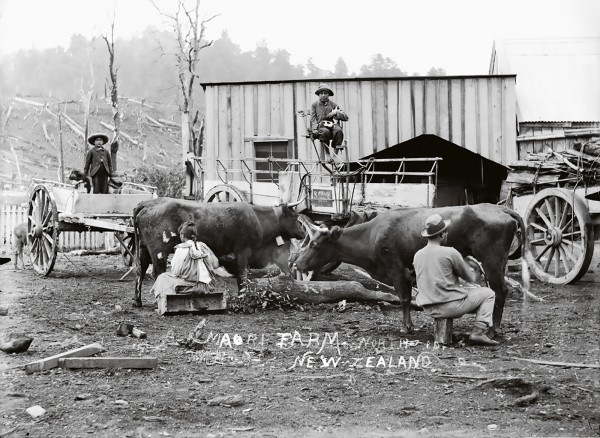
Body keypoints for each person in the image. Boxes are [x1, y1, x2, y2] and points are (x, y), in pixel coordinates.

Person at [412, 213, 499, 346]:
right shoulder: (449, 252)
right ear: (441, 235)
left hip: (428, 307)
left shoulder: (418, 255)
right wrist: (476, 269)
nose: (446, 235)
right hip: (449, 306)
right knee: (488, 294)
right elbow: (471, 279)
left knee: (466, 292)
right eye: (445, 232)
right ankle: (478, 332)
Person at [151, 221, 222, 298]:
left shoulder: (181, 248)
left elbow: (175, 271)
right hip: (208, 287)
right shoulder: (203, 246)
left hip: (193, 288)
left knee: (162, 277)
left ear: (182, 235)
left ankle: (163, 302)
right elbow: (215, 264)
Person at [310, 83, 348, 157]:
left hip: (332, 124)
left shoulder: (333, 104)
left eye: (325, 93)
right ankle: (327, 154)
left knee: (338, 131)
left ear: (328, 95)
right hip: (321, 125)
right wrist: (314, 129)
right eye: (321, 93)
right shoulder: (314, 105)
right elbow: (313, 118)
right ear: (319, 95)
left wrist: (335, 112)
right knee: (324, 132)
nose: (323, 95)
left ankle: (335, 155)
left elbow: (345, 117)